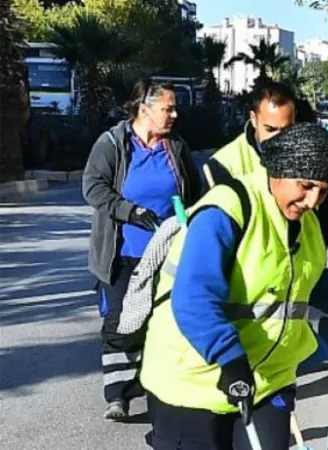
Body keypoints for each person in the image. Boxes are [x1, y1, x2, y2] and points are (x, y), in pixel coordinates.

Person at [139, 123, 328, 450]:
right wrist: (230, 358)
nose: (312, 200)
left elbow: (309, 283)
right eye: (306, 185)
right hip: (193, 380)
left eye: (323, 191)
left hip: (267, 380)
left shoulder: (305, 222)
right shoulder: (227, 210)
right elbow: (194, 299)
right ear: (277, 172)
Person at [205, 82, 328, 366]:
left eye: (287, 130)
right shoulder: (223, 166)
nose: (280, 141)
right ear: (253, 119)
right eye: (270, 131)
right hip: (245, 285)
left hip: (295, 278)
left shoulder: (310, 153)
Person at [82, 78, 204, 420]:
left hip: (168, 253)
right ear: (144, 108)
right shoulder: (112, 143)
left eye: (175, 108)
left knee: (162, 321)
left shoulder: (175, 147)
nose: (174, 115)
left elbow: (192, 193)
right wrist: (129, 211)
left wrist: (191, 226)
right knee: (121, 323)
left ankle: (158, 389)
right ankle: (118, 395)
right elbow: (93, 187)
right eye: (168, 108)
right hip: (121, 255)